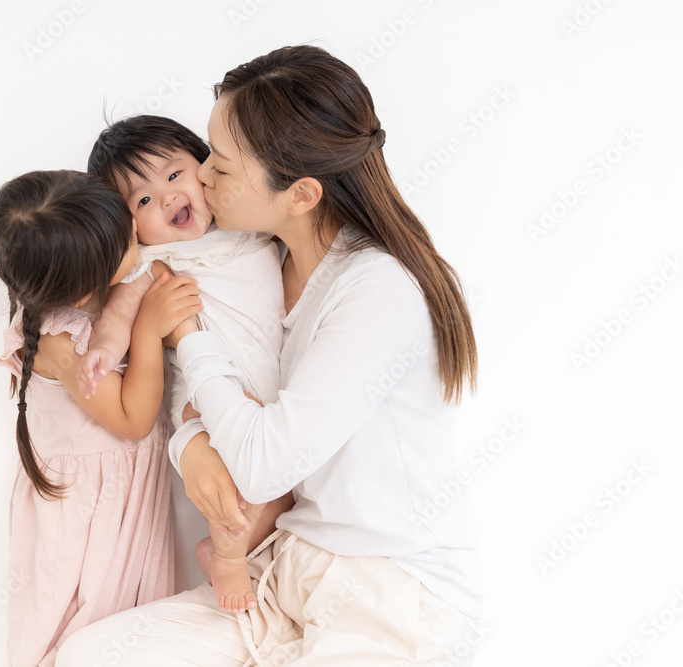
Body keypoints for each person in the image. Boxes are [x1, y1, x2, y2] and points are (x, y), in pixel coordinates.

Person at [56, 44, 482, 666]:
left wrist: (185, 334)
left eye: (219, 167)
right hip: (285, 569)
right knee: (89, 656)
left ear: (301, 194)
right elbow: (216, 399)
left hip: (387, 592)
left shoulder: (377, 289)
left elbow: (261, 466)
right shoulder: (256, 265)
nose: (201, 178)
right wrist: (188, 444)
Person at [77, 115, 295, 612]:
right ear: (129, 226)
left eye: (175, 175)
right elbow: (117, 316)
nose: (167, 197)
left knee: (279, 490)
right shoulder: (156, 262)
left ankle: (234, 549)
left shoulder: (249, 228)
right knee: (245, 482)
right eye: (143, 201)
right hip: (205, 401)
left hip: (268, 392)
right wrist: (103, 351)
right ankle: (228, 557)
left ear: (206, 167)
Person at [0, 170, 202, 667]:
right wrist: (148, 330)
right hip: (88, 508)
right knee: (76, 623)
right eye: (127, 242)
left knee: (134, 632)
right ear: (83, 289)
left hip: (130, 494)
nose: (138, 236)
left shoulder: (109, 286)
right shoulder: (59, 341)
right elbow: (132, 420)